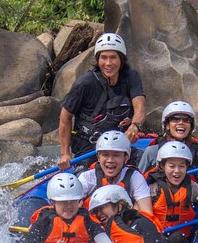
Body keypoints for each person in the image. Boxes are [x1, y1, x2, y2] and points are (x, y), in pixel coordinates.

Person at [58, 32, 146, 170]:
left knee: (147, 162)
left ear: (121, 59)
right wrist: (65, 153)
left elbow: (140, 106)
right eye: (103, 58)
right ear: (98, 60)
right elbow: (65, 117)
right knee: (86, 177)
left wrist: (134, 126)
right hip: (89, 145)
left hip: (119, 143)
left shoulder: (131, 76)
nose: (108, 63)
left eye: (113, 58)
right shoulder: (85, 83)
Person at [19, 173, 119, 243]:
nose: (69, 206)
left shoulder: (87, 220)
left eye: (73, 201)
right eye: (63, 201)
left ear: (79, 201)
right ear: (53, 202)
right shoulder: (45, 220)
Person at [88, 184, 171, 243]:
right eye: (96, 211)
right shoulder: (101, 234)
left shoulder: (141, 223)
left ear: (120, 205)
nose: (99, 214)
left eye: (103, 207)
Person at [138, 101, 198, 190]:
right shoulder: (151, 152)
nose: (181, 123)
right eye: (175, 119)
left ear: (190, 127)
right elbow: (137, 182)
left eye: (186, 120)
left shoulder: (195, 152)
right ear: (167, 125)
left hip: (186, 199)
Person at [78, 130, 153, 214]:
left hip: (122, 225)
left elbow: (147, 213)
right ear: (98, 157)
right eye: (105, 155)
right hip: (94, 225)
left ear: (126, 158)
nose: (110, 160)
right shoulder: (87, 178)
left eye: (116, 155)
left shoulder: (134, 177)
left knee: (138, 206)